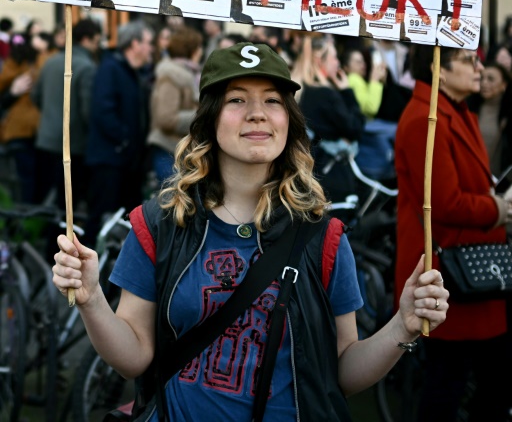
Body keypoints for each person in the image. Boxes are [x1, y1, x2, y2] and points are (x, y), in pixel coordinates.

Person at [53, 41, 448, 422]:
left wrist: (402, 324)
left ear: (288, 120)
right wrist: (92, 301)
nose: (257, 113)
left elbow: (342, 373)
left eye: (273, 100)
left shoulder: (324, 238)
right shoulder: (159, 224)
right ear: (210, 118)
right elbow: (134, 357)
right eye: (237, 99)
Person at [394, 44, 512, 422]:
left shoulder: (453, 113)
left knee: (482, 382)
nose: (479, 68)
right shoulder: (423, 121)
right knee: (451, 384)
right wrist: (498, 208)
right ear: (439, 70)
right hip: (451, 274)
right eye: (468, 60)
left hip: (472, 271)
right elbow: (444, 203)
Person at [83, 20, 154, 246]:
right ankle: (84, 268)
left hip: (127, 162)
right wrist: (124, 140)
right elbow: (102, 111)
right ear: (135, 44)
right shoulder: (111, 68)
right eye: (148, 43)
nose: (151, 48)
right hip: (109, 160)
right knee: (101, 218)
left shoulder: (132, 72)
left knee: (128, 220)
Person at [31, 18, 102, 210]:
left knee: (44, 199)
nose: (97, 47)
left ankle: (38, 236)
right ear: (86, 40)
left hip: (45, 139)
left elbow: (35, 96)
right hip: (72, 144)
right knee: (66, 203)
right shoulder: (87, 67)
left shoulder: (50, 62)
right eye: (96, 41)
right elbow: (88, 112)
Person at [293, 34, 365, 199]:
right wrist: (347, 92)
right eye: (334, 58)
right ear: (320, 61)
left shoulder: (297, 90)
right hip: (329, 178)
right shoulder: (326, 95)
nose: (338, 63)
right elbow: (355, 128)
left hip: (303, 176)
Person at [0, 31, 53, 202]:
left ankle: (27, 215)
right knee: (30, 179)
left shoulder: (16, 66)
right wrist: (12, 92)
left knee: (27, 178)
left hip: (23, 131)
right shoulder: (41, 64)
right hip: (32, 130)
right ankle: (28, 216)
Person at [147, 26, 203, 184]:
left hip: (180, 151)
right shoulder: (172, 74)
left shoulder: (190, 73)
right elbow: (165, 118)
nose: (201, 51)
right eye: (199, 46)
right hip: (168, 150)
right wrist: (202, 115)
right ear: (191, 49)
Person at [342, 47, 397, 180]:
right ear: (346, 67)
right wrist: (374, 80)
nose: (363, 65)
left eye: (363, 61)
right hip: (366, 127)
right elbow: (370, 107)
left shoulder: (358, 80)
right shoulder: (353, 79)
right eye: (357, 62)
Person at [468, 63, 512, 179]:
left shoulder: (508, 114)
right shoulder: (468, 108)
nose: (484, 83)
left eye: (490, 79)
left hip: (498, 181)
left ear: (504, 85)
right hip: (470, 176)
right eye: (481, 78)